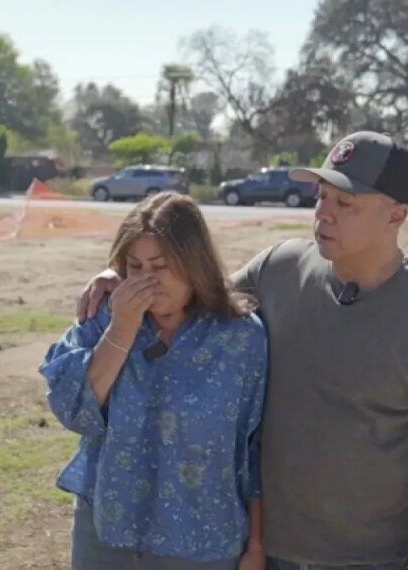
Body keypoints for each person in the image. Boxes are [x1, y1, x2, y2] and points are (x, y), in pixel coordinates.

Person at [76, 131, 408, 569]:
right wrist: (121, 273)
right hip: (269, 552)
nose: (323, 214)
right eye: (321, 196)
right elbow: (191, 294)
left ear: (397, 214)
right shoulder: (280, 268)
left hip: (373, 558)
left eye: (346, 204)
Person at [40, 191, 268, 570]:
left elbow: (256, 448)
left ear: (194, 262)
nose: (146, 280)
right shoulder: (104, 315)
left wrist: (257, 546)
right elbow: (71, 409)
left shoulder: (240, 338)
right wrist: (122, 329)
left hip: (202, 542)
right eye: (135, 266)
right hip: (108, 536)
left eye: (160, 266)